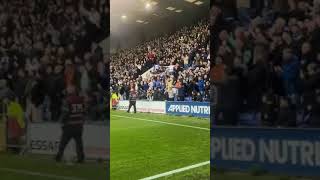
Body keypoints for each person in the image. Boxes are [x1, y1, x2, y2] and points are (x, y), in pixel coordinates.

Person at [55, 86, 85, 163]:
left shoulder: (67, 101)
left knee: (63, 143)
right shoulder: (80, 99)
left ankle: (59, 156)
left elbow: (65, 113)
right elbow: (84, 111)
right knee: (79, 143)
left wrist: (62, 121)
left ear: (69, 92)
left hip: (69, 125)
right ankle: (81, 158)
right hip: (79, 124)